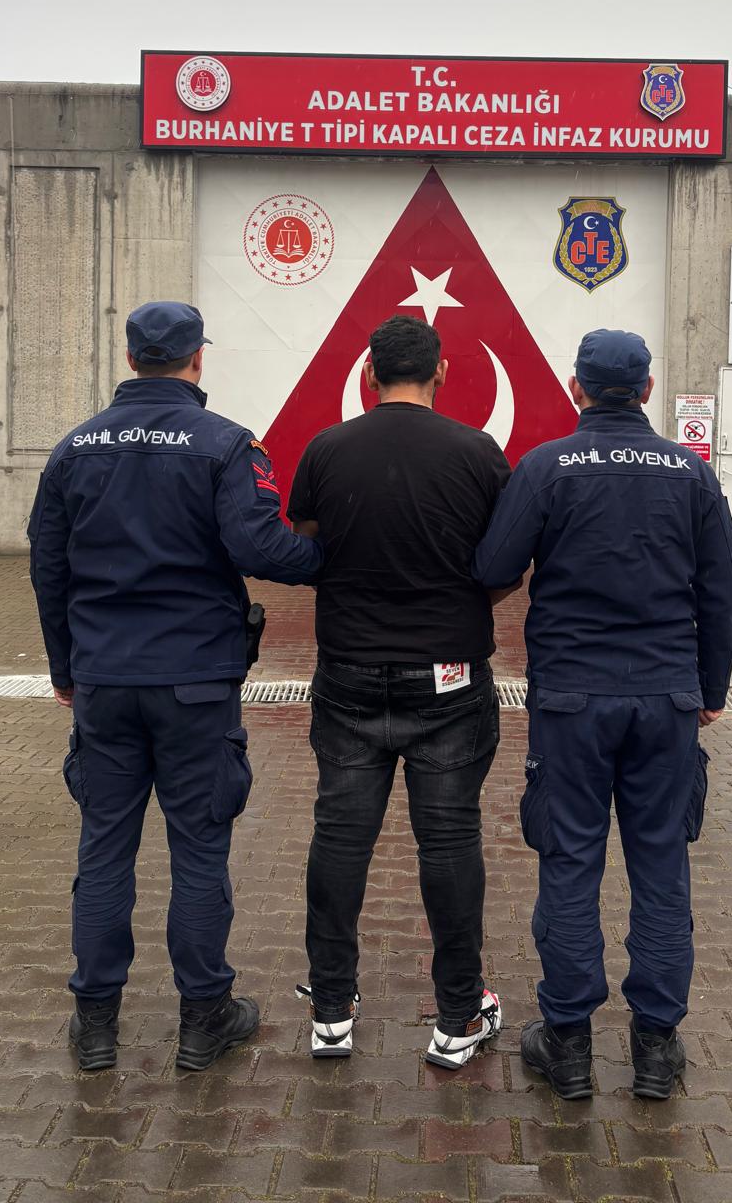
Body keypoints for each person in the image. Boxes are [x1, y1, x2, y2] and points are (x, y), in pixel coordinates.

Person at [28, 300, 321, 1073]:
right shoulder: (225, 445)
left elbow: (47, 570)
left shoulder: (73, 449)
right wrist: (342, 560)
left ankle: (95, 1026)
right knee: (198, 851)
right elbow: (258, 544)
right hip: (194, 682)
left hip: (104, 681)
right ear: (197, 360)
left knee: (103, 852)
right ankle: (202, 1020)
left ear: (131, 359)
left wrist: (65, 669)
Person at [472, 329, 732, 1102]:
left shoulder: (546, 466)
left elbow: (493, 568)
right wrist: (712, 688)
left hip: (572, 699)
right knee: (661, 866)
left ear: (576, 388)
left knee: (569, 863)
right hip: (666, 698)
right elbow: (723, 592)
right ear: (649, 390)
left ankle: (568, 1046)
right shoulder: (690, 473)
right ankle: (656, 1050)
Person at [287, 315, 513, 1069]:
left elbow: (310, 535)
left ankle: (330, 1010)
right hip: (449, 677)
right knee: (449, 842)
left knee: (340, 835)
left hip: (348, 671)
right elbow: (504, 559)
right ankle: (457, 1016)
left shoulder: (327, 448)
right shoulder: (478, 452)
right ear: (441, 373)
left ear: (368, 376)